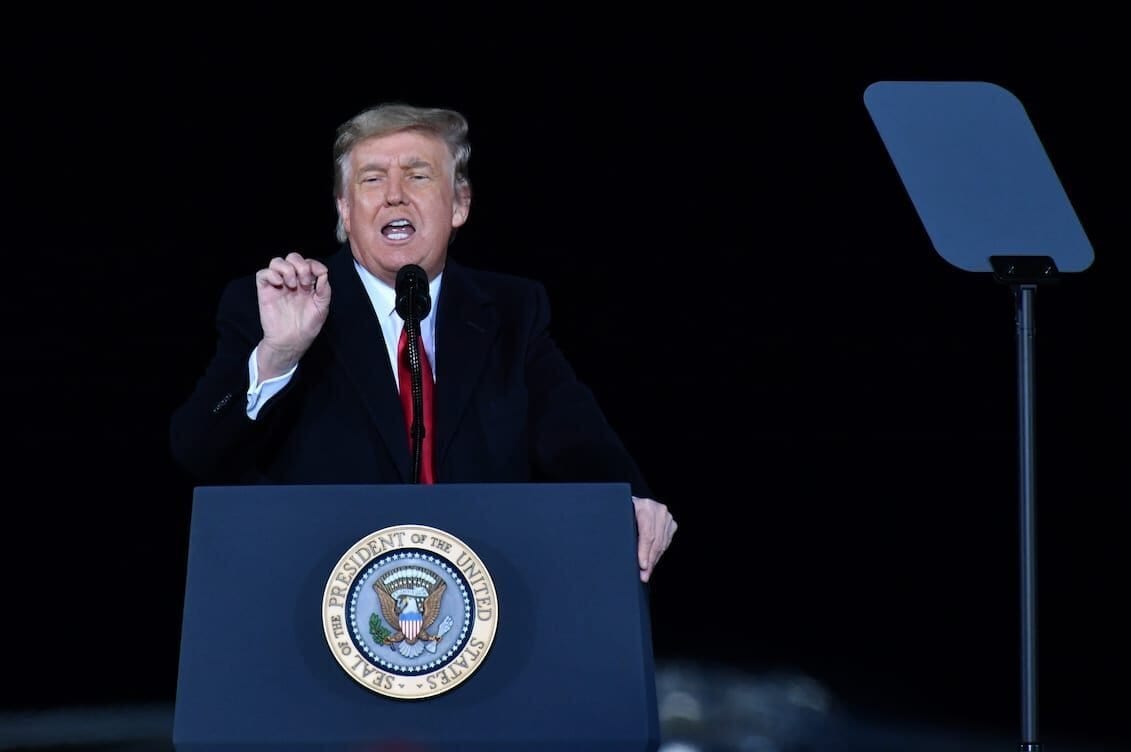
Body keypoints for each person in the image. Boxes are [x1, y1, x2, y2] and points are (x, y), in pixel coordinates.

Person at [169, 101, 676, 582]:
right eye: (372, 179)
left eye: (417, 175)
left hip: (485, 593)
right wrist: (280, 354)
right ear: (345, 209)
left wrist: (630, 499)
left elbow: (577, 438)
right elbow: (198, 451)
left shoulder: (511, 312)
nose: (394, 195)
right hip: (318, 594)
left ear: (459, 204)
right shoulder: (274, 304)